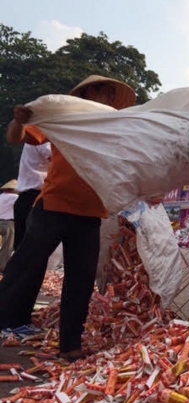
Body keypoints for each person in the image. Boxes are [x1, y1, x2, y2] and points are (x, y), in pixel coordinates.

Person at [0, 75, 136, 362]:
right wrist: (18, 120)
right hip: (53, 205)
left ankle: (70, 346)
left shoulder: (117, 130)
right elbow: (16, 137)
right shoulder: (66, 120)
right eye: (105, 92)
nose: (110, 98)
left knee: (81, 281)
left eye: (113, 95)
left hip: (90, 214)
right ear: (89, 94)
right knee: (23, 267)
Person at [13, 144, 51, 249]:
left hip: (31, 197)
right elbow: (59, 157)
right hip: (35, 198)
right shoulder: (42, 136)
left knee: (26, 248)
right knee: (32, 248)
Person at [0, 180, 18, 273]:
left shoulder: (1, 197)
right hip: (8, 224)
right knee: (7, 246)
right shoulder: (15, 197)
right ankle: (2, 267)